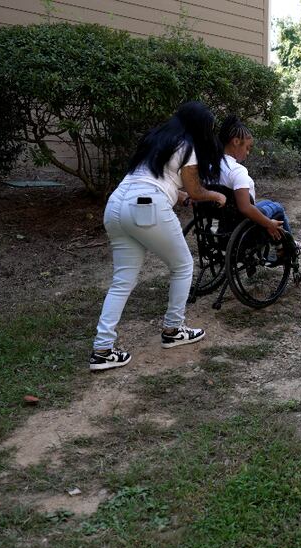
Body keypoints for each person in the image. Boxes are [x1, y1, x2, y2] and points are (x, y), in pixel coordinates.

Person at [90, 102, 227, 371]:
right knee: (183, 265)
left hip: (116, 205)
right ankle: (173, 329)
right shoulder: (188, 145)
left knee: (122, 281)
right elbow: (197, 191)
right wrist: (216, 195)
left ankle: (102, 349)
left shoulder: (157, 140)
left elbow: (157, 180)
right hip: (146, 207)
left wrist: (180, 194)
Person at [216, 115, 301, 256]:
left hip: (225, 220)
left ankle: (283, 245)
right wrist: (268, 223)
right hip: (242, 222)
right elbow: (245, 208)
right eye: (247, 147)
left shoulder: (211, 165)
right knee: (277, 208)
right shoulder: (236, 171)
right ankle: (288, 248)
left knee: (268, 202)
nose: (248, 152)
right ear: (235, 141)